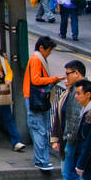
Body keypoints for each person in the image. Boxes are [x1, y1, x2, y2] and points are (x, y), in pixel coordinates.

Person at [51, 60, 89, 180]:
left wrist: (68, 141)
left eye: (68, 73)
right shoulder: (72, 90)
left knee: (71, 175)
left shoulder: (79, 91)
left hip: (73, 142)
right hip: (71, 140)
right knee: (73, 175)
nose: (65, 76)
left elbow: (74, 119)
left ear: (77, 73)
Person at [23, 36, 60, 172]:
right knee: (40, 130)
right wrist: (54, 79)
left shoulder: (38, 58)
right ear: (41, 48)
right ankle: (41, 161)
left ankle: (42, 160)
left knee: (41, 130)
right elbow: (36, 80)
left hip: (36, 99)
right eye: (48, 50)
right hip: (35, 99)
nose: (49, 53)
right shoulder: (36, 59)